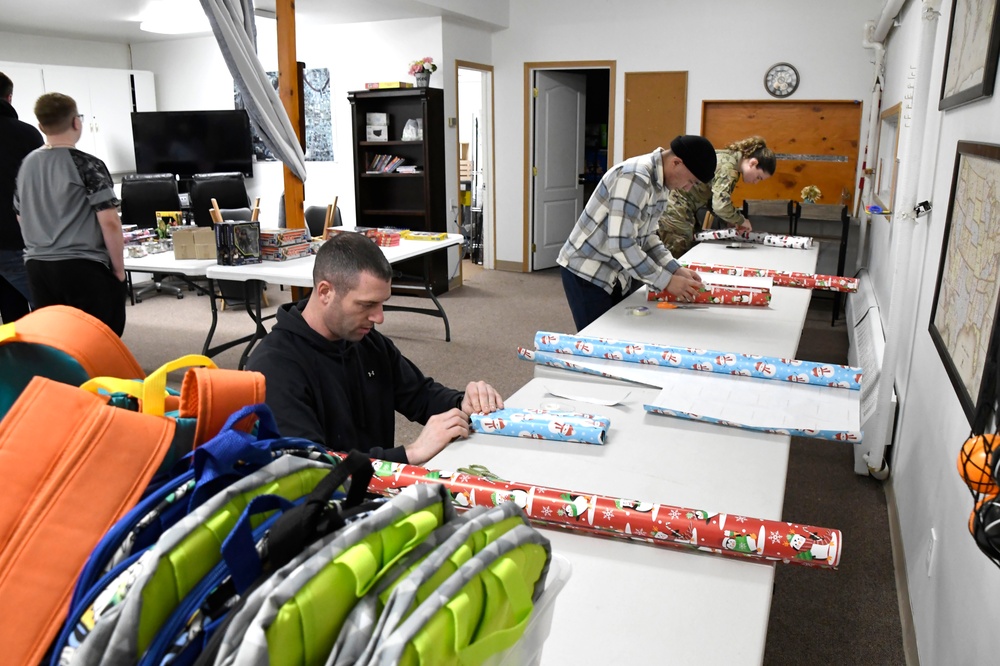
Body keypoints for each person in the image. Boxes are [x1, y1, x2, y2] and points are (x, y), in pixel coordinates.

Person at [246, 232, 504, 465]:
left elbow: (419, 394)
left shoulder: (366, 342)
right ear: (325, 292)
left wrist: (462, 404)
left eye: (382, 303)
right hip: (326, 506)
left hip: (377, 489)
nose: (379, 317)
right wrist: (410, 453)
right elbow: (311, 468)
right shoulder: (274, 367)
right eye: (366, 305)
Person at [557, 134, 717, 332]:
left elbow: (648, 236)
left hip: (617, 269)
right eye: (690, 181)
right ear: (676, 162)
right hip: (587, 270)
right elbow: (621, 243)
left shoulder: (661, 185)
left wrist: (674, 269)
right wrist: (666, 281)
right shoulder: (635, 177)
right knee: (598, 341)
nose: (687, 188)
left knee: (621, 334)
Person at [14, 92, 127, 335]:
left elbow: (20, 216)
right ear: (77, 122)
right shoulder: (87, 164)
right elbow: (109, 222)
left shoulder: (27, 165)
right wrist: (118, 269)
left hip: (38, 267)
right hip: (81, 266)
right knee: (101, 336)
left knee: (58, 338)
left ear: (41, 126)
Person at [657, 136, 777, 257]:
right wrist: (740, 220)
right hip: (676, 206)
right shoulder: (729, 169)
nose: (756, 182)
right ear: (753, 163)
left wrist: (728, 220)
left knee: (690, 247)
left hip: (678, 204)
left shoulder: (726, 158)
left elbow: (712, 200)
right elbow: (720, 205)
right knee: (679, 253)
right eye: (758, 177)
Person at [0, 71, 44, 323]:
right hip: (17, 237)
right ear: (9, 97)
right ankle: (53, 360)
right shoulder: (26, 134)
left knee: (11, 311)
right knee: (49, 310)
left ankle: (17, 360)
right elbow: (39, 188)